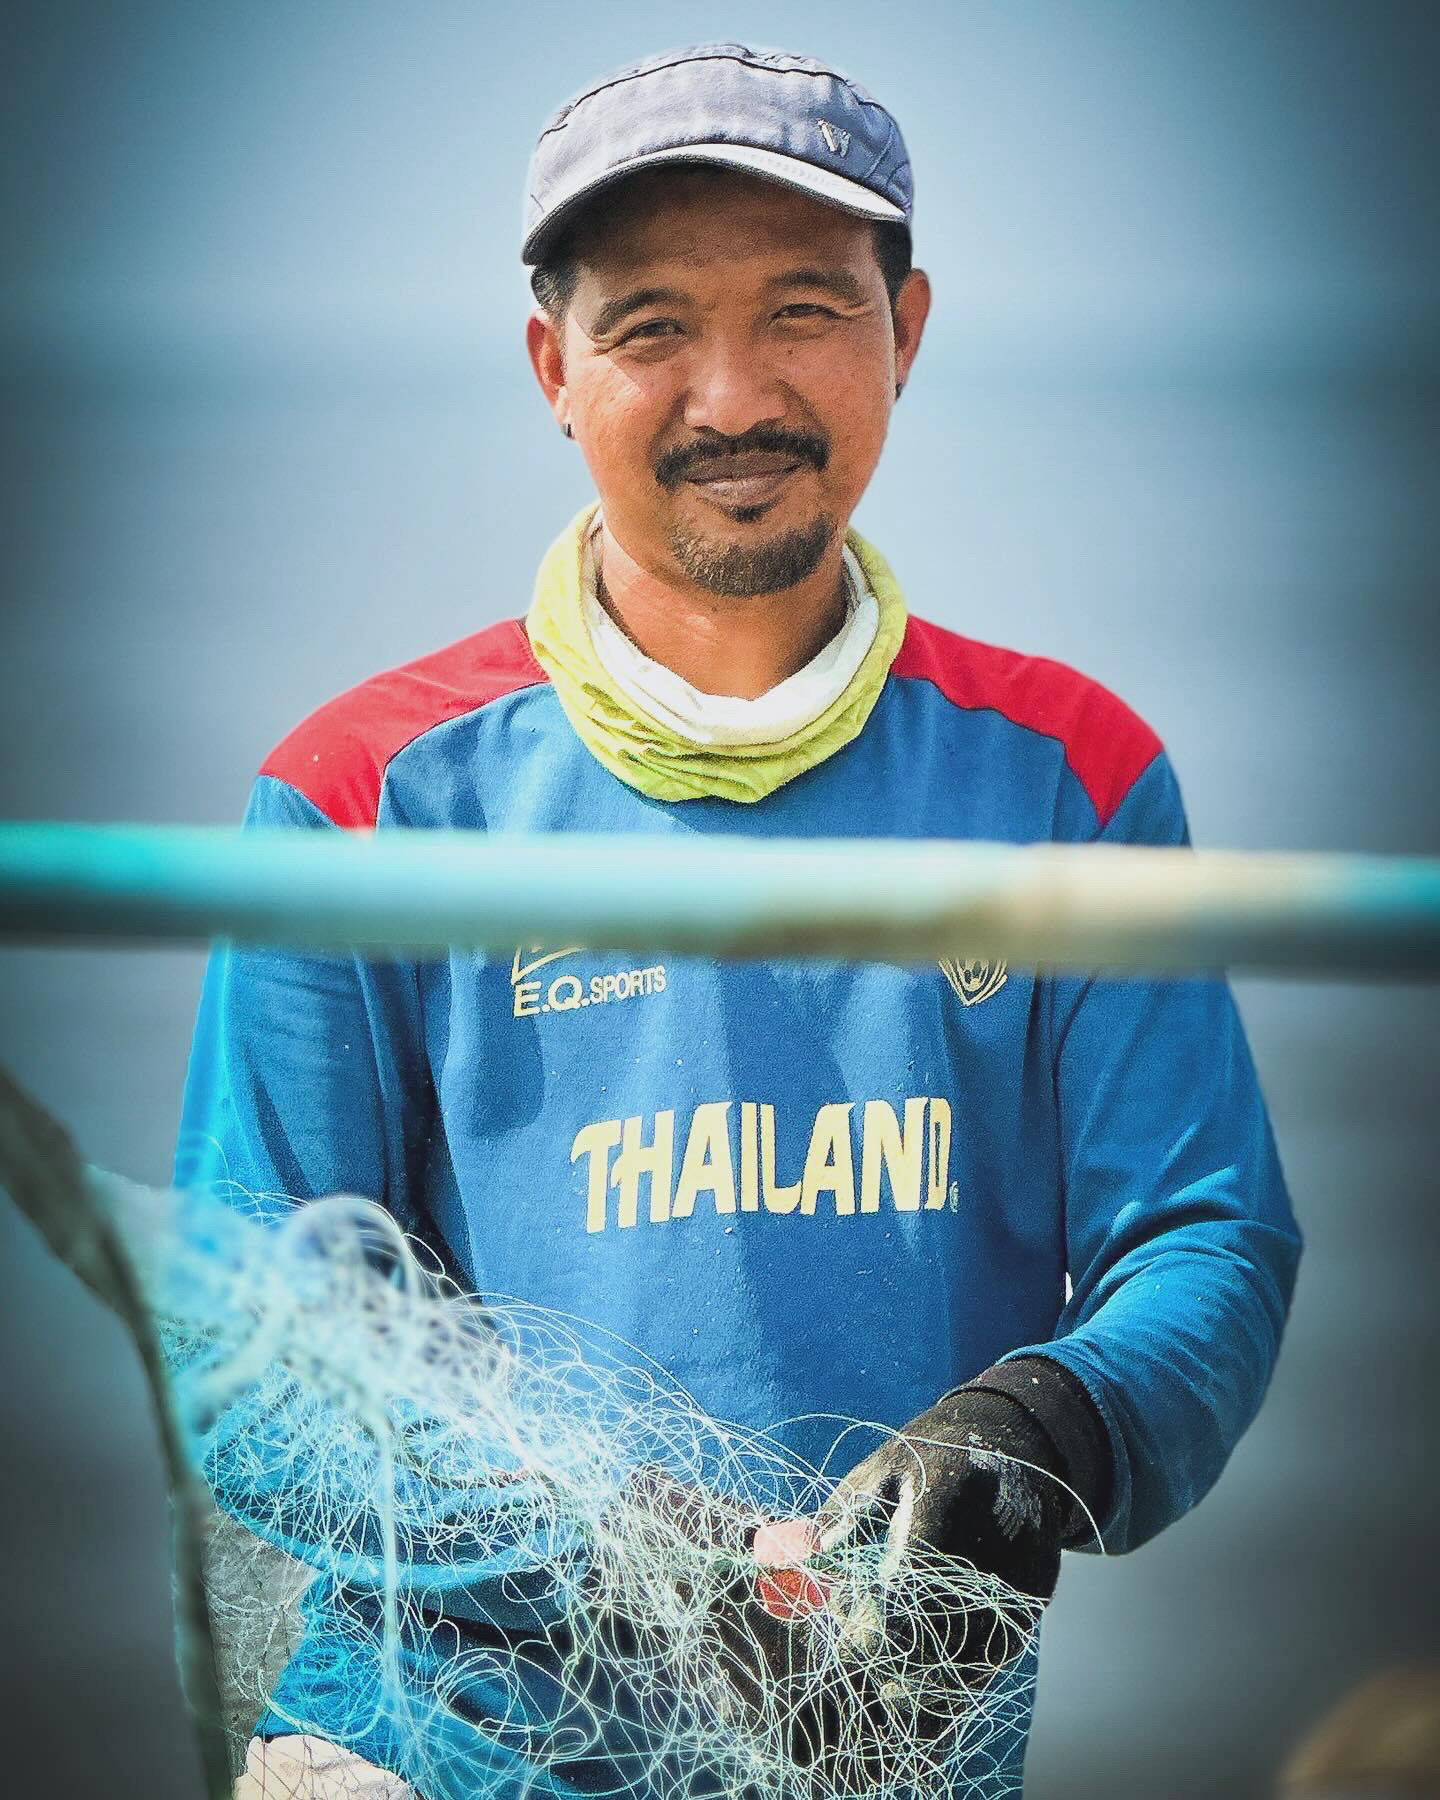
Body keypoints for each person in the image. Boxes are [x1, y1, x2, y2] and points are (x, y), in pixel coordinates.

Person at [178, 43, 1302, 1800]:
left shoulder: (1076, 778)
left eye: (803, 310)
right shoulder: (358, 794)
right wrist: (631, 1563)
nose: (734, 396)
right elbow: (254, 1364)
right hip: (430, 1747)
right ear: (554, 366)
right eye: (648, 328)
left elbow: (1210, 1243)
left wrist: (1047, 1424)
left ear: (906, 331)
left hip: (890, 1755)